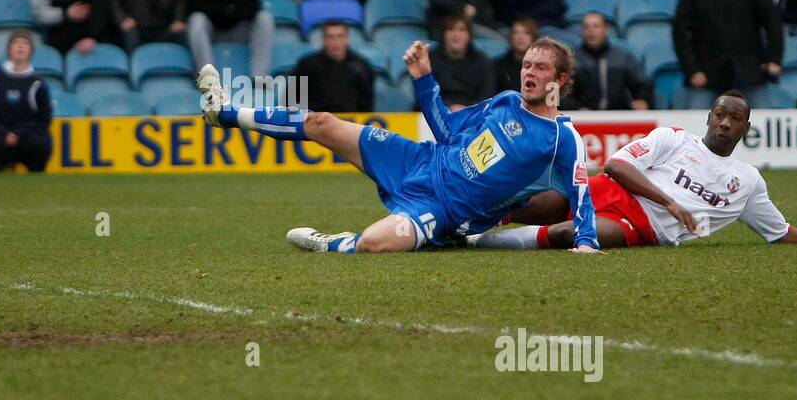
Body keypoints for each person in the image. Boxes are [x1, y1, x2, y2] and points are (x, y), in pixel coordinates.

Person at [195, 35, 599, 253]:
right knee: (322, 123)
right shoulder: (505, 101)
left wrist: (585, 242)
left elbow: (582, 191)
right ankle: (223, 112)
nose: (529, 72)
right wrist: (424, 77)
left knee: (374, 244)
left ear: (560, 81)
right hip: (419, 160)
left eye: (540, 67)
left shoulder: (562, 139)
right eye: (526, 64)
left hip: (441, 210)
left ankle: (331, 243)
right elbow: (446, 129)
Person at [467, 91, 797, 250]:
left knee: (569, 233)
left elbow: (782, 234)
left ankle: (474, 245)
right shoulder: (672, 137)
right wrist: (670, 199)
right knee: (545, 202)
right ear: (709, 117)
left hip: (644, 229)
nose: (726, 123)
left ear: (746, 128)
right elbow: (616, 165)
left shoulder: (747, 182)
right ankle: (464, 221)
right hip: (615, 192)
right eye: (720, 115)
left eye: (735, 119)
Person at [0, 31, 53, 174]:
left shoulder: (38, 83)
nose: (20, 47)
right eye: (16, 42)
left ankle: (36, 179)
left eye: (25, 43)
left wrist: (17, 133)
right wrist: (3, 133)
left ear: (31, 51)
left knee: (39, 143)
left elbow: (44, 119)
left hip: (26, 137)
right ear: (9, 49)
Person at [568, 12, 653, 110]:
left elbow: (642, 84)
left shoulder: (623, 56)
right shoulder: (572, 58)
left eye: (596, 26)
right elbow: (563, 91)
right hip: (581, 119)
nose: (591, 31)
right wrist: (576, 108)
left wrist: (643, 100)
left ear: (606, 29)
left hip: (619, 117)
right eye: (586, 27)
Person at [292, 21, 374, 113]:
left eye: (340, 36)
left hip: (350, 123)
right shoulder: (306, 65)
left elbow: (366, 102)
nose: (336, 42)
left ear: (347, 38)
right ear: (324, 40)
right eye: (331, 37)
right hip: (316, 122)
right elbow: (292, 98)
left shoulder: (361, 65)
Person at [429, 14, 494, 107]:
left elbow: (487, 96)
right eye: (451, 29)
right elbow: (426, 95)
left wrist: (467, 110)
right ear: (443, 34)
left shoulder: (482, 61)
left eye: (461, 29)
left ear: (469, 35)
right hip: (436, 114)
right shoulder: (430, 59)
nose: (456, 34)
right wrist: (448, 107)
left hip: (474, 115)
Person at [494, 17, 538, 92]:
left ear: (533, 38)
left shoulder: (542, 66)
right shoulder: (497, 66)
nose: (521, 37)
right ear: (510, 37)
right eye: (516, 33)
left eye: (526, 33)